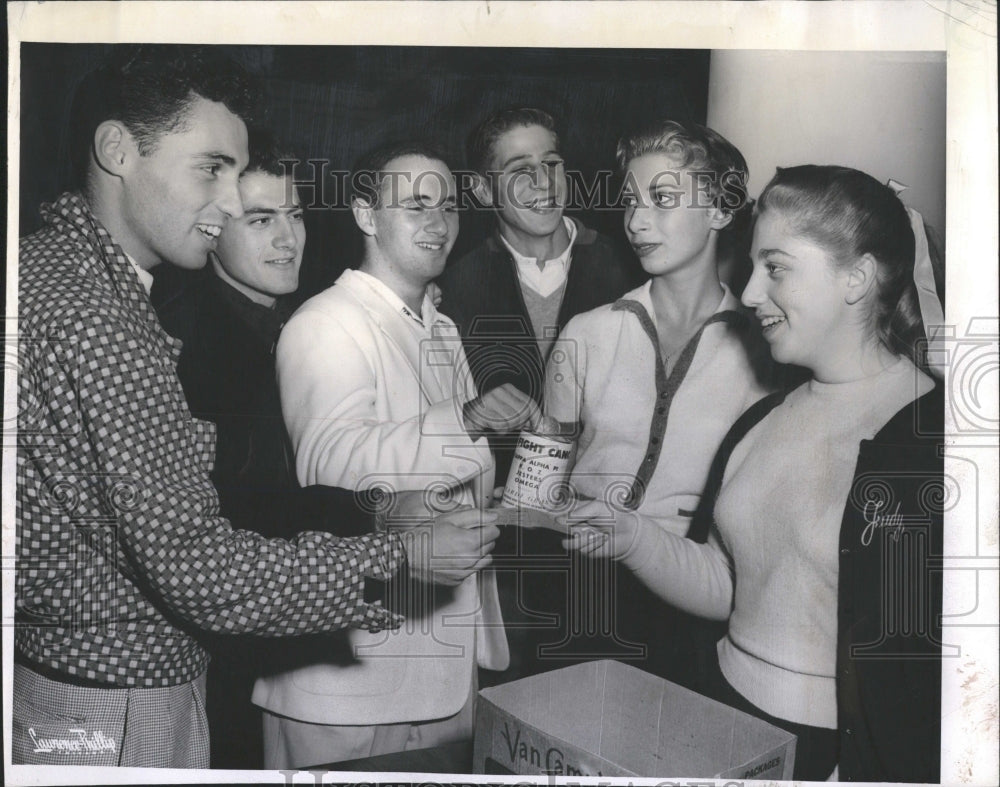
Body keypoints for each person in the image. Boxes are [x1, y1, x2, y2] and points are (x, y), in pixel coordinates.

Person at [14, 46, 498, 769]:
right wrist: (398, 555)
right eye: (211, 168)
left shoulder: (58, 274)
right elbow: (195, 564)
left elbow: (198, 476)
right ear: (116, 149)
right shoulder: (98, 315)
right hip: (112, 698)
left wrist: (377, 512)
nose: (230, 201)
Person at [565, 165, 944, 782]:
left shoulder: (935, 444)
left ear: (857, 278)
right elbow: (731, 586)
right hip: (721, 721)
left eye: (776, 267)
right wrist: (631, 538)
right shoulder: (764, 417)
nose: (747, 293)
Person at [254, 142, 537, 769]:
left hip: (441, 671)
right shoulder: (326, 321)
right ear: (364, 215)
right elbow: (328, 468)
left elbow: (451, 479)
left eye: (449, 205)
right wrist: (465, 420)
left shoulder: (441, 327)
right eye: (415, 205)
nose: (438, 224)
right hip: (350, 688)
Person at [542, 119, 772, 684]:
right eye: (631, 201)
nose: (637, 221)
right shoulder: (586, 333)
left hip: (695, 609)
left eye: (662, 199)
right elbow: (541, 482)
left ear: (720, 210)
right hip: (581, 595)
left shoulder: (768, 353)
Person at [436, 108, 639, 680]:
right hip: (509, 552)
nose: (543, 183)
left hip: (612, 540)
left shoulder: (630, 265)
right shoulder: (453, 284)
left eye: (552, 163)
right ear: (481, 189)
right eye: (519, 169)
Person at [153, 128, 332, 769]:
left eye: (295, 214)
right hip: (225, 651)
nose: (288, 239)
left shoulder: (306, 318)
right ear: (216, 225)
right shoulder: (183, 343)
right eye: (261, 220)